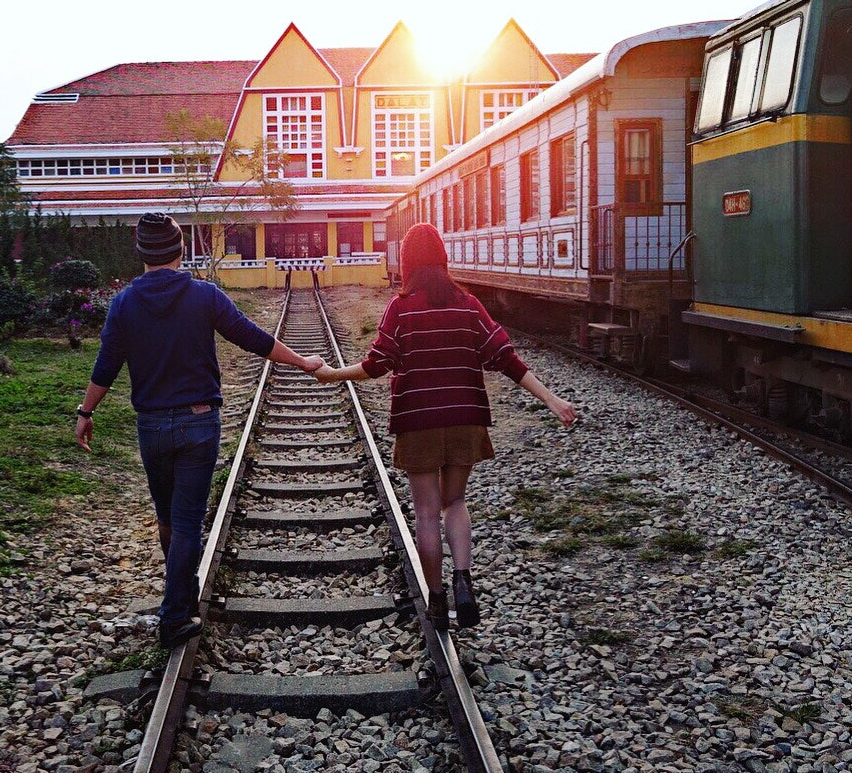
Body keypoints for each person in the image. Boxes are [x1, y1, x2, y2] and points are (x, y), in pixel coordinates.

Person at [75, 213, 323, 649]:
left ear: (140, 253)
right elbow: (250, 337)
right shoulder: (203, 295)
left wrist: (85, 411)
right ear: (180, 250)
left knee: (169, 518)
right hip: (198, 421)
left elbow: (107, 364)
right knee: (188, 520)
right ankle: (174, 615)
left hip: (152, 425)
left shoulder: (123, 304)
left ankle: (181, 590)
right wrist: (303, 362)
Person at [313, 223, 576, 632]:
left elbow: (375, 364)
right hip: (465, 418)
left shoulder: (400, 309)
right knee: (456, 502)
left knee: (426, 511)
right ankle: (463, 582)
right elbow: (506, 358)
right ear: (443, 259)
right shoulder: (469, 305)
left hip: (418, 421)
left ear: (408, 262)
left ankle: (437, 601)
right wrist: (552, 399)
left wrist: (333, 376)